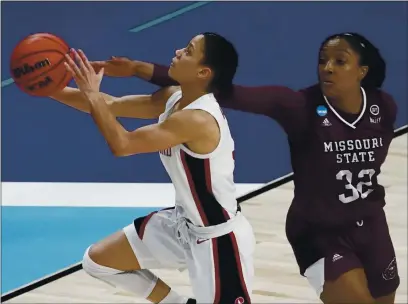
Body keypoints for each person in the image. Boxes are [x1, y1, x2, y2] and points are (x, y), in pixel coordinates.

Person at [91, 32, 400, 304]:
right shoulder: (296, 105)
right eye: (323, 60)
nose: (327, 67)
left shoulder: (384, 107)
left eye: (340, 61)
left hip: (371, 223)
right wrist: (136, 69)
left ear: (363, 71)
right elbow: (223, 89)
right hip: (317, 230)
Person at [51, 32, 255, 304]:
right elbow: (109, 106)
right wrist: (49, 89)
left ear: (203, 72)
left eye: (189, 50)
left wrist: (91, 92)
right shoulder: (174, 97)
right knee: (98, 261)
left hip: (218, 241)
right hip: (181, 226)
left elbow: (122, 144)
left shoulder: (197, 120)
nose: (178, 50)